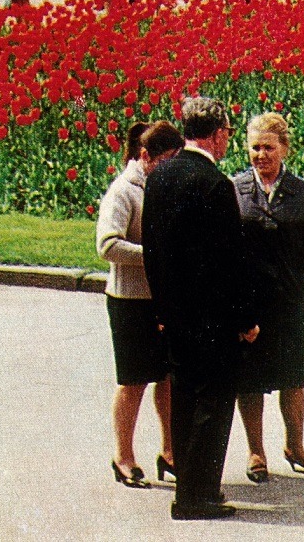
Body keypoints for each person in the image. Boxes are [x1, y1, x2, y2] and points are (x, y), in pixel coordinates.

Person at [142, 98, 259, 521]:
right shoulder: (214, 183)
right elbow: (230, 261)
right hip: (212, 318)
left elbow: (153, 252)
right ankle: (199, 495)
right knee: (213, 405)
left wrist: (161, 309)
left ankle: (188, 490)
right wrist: (246, 319)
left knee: (185, 401)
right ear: (218, 133)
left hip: (174, 314)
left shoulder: (159, 176)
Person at [234, 113, 304, 483]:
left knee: (293, 378)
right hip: (249, 303)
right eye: (254, 147)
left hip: (289, 302)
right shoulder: (236, 189)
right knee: (251, 380)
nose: (261, 155)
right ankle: (256, 452)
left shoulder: (302, 193)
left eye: (268, 148)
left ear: (284, 149)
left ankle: (295, 447)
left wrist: (300, 285)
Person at [97, 121, 184, 489]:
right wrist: (157, 255)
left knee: (167, 378)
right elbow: (107, 245)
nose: (172, 167)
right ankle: (124, 456)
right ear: (145, 156)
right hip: (130, 301)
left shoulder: (163, 186)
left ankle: (170, 452)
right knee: (133, 380)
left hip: (165, 298)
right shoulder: (123, 192)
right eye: (167, 160)